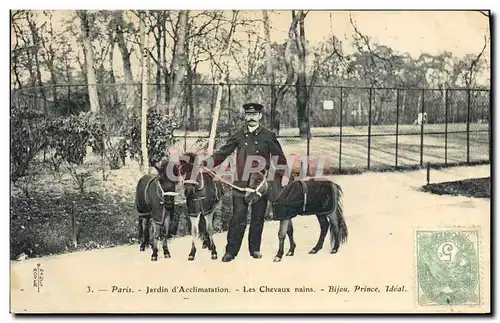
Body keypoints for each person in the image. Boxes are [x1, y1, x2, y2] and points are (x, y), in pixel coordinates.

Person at [203, 102, 289, 262]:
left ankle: (254, 249)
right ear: (245, 116)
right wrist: (206, 163)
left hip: (260, 185)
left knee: (258, 217)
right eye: (248, 115)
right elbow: (223, 152)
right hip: (241, 183)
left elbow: (279, 157)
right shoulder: (238, 135)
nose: (251, 117)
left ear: (260, 116)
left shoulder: (268, 135)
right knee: (238, 217)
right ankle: (231, 251)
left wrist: (284, 174)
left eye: (254, 114)